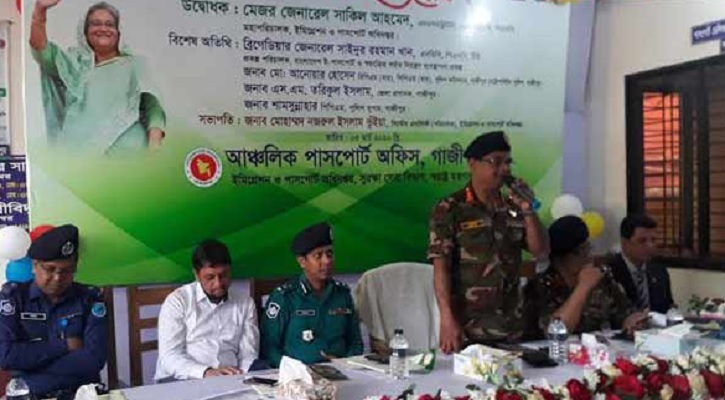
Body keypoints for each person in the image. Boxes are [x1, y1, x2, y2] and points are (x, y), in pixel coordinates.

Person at [428, 131, 548, 353]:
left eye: (508, 162)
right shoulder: (450, 208)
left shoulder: (513, 206)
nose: (505, 169)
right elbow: (440, 268)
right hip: (469, 328)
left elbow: (540, 251)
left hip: (512, 325)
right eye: (496, 161)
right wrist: (446, 317)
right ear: (472, 164)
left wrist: (529, 211)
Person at [30, 0, 166, 155]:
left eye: (110, 24)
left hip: (127, 159)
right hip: (79, 160)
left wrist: (153, 150)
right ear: (85, 31)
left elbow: (153, 108)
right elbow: (42, 52)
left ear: (118, 32)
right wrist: (39, 12)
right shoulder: (73, 64)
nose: (103, 28)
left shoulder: (135, 64)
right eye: (95, 24)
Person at [0, 224, 108, 399]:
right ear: (34, 266)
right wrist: (65, 345)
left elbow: (94, 360)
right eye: (50, 269)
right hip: (31, 395)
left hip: (81, 394)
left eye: (66, 271)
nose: (57, 278)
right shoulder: (13, 298)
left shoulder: (90, 298)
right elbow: (6, 357)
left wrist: (30, 364)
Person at [523, 216, 649, 337]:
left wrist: (633, 321)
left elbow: (626, 311)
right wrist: (583, 288)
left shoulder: (602, 279)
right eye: (580, 251)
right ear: (560, 258)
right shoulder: (539, 286)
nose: (588, 256)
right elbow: (556, 333)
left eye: (587, 248)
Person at [261, 222, 363, 368]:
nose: (326, 261)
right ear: (302, 261)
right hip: (299, 376)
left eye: (329, 254)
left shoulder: (342, 294)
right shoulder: (285, 297)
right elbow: (269, 348)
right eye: (318, 256)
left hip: (342, 372)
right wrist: (295, 370)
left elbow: (356, 342)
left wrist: (345, 364)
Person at [155, 239, 259, 381]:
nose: (218, 284)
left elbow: (248, 355)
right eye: (210, 277)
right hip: (182, 378)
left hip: (230, 378)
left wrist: (244, 377)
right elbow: (169, 357)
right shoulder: (178, 301)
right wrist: (205, 372)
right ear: (196, 275)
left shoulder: (245, 303)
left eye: (224, 275)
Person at [609, 214, 674, 313]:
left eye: (653, 240)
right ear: (625, 243)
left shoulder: (659, 271)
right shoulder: (610, 272)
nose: (650, 246)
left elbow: (668, 308)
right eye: (642, 241)